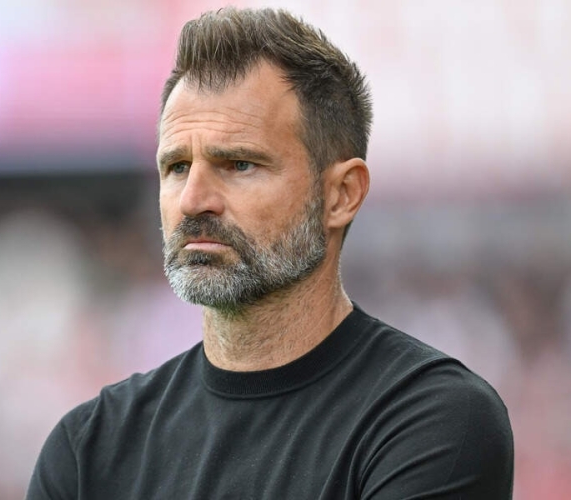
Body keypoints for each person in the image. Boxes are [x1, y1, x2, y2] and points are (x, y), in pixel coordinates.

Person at [26, 7, 513, 499]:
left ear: (341, 195)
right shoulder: (89, 448)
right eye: (176, 167)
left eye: (239, 164)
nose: (193, 200)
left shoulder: (432, 419)